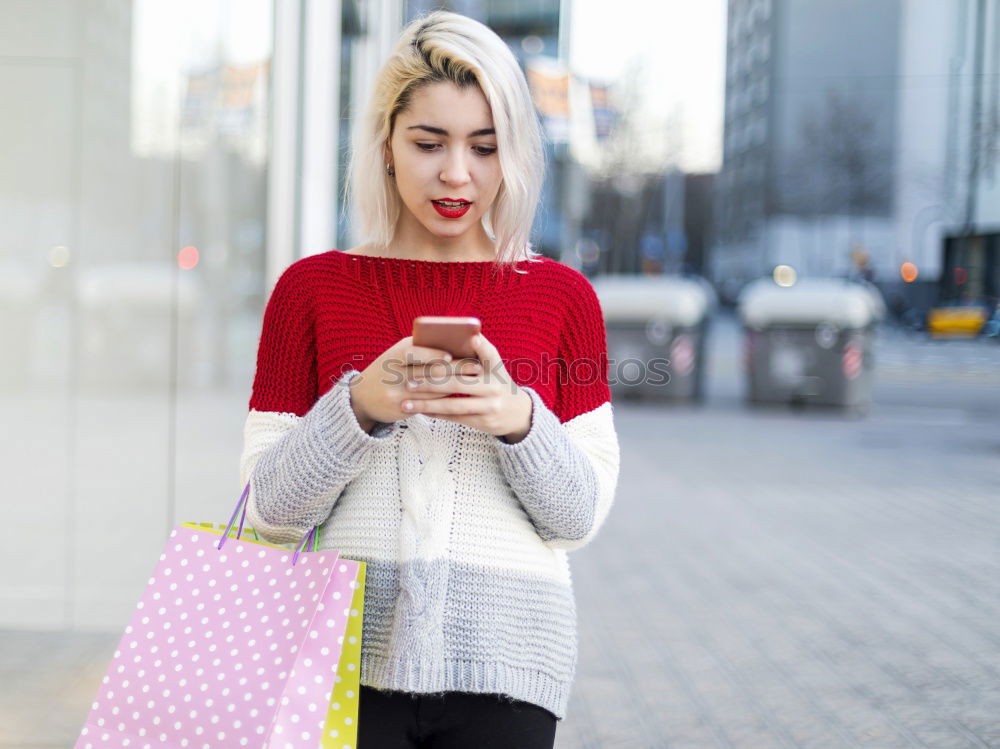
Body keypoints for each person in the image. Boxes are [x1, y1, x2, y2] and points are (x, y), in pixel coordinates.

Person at [239, 10, 620, 748]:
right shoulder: (311, 290)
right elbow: (271, 511)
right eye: (429, 142)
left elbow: (578, 518)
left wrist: (517, 419)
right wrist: (358, 406)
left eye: (485, 146)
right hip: (341, 661)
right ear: (386, 143)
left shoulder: (563, 298)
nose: (457, 173)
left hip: (509, 671)